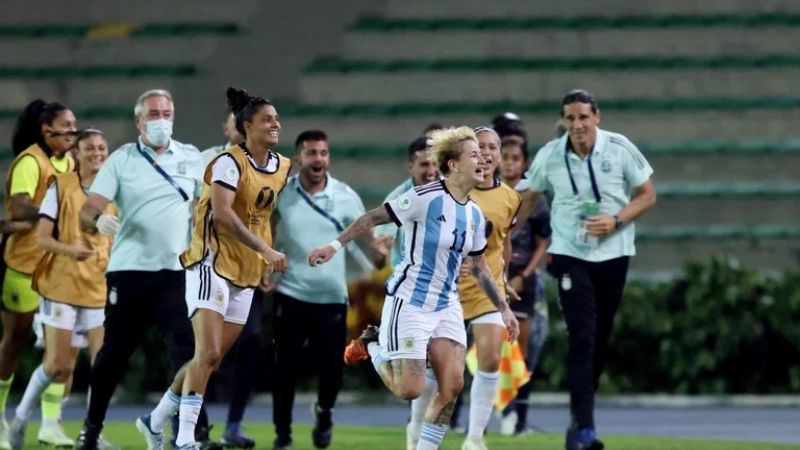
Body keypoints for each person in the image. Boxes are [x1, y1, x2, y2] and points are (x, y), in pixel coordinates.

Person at [309, 126, 519, 450]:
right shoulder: (424, 197)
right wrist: (334, 247)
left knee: (452, 385)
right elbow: (372, 217)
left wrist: (504, 309)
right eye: (474, 154)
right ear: (453, 164)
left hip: (447, 305)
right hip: (410, 302)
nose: (484, 159)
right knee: (411, 389)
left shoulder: (475, 215)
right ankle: (373, 345)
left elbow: (479, 267)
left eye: (483, 154)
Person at [138, 87, 290, 450]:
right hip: (210, 262)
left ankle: (154, 420)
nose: (275, 124)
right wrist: (265, 250)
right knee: (206, 354)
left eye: (276, 119)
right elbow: (222, 215)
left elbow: (261, 218)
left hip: (245, 271)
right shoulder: (228, 162)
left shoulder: (281, 165)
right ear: (246, 127)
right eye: (267, 119)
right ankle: (186, 438)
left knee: (211, 358)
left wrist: (263, 260)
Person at [515, 90, 656, 450]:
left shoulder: (619, 147)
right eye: (570, 118)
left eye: (583, 117)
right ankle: (586, 430)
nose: (577, 125)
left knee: (599, 341)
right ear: (563, 121)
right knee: (583, 336)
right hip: (569, 254)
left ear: (597, 117)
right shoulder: (551, 156)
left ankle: (578, 421)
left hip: (614, 253)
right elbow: (527, 199)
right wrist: (500, 238)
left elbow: (647, 194)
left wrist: (616, 220)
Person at [75, 89, 207, 450]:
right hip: (130, 271)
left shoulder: (191, 158)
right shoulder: (121, 160)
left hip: (176, 273)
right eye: (153, 114)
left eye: (166, 112)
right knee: (113, 356)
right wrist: (99, 219)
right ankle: (90, 430)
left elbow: (205, 206)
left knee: (190, 355)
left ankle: (193, 433)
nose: (161, 120)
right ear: (138, 121)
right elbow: (87, 209)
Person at [270, 129, 388, 450]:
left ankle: (324, 413)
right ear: (298, 160)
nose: (318, 159)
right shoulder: (282, 195)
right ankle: (283, 435)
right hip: (290, 293)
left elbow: (373, 253)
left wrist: (381, 254)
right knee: (284, 368)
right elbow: (265, 230)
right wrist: (265, 262)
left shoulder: (346, 197)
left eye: (323, 153)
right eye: (311, 153)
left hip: (333, 298)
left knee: (332, 370)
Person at [405, 127, 521, 450]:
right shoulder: (449, 190)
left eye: (493, 147)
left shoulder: (511, 198)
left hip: (487, 290)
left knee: (490, 357)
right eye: (480, 146)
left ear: (499, 154)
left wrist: (505, 282)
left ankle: (474, 438)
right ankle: (415, 429)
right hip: (446, 292)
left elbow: (503, 244)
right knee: (436, 372)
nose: (486, 153)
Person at [8, 129, 119, 449]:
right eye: (89, 148)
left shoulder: (116, 190)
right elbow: (42, 238)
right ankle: (20, 419)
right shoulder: (63, 186)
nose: (97, 153)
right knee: (59, 366)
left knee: (103, 367)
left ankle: (93, 434)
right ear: (77, 153)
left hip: (98, 286)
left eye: (101, 147)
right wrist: (72, 250)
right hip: (62, 285)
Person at [0, 99, 77, 449]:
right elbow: (18, 206)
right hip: (23, 266)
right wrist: (54, 211)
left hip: (58, 269)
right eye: (67, 127)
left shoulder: (71, 161)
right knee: (15, 342)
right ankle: (1, 417)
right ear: (48, 132)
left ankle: (50, 423)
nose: (73, 132)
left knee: (61, 349)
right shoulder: (31, 161)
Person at [499, 139, 552, 436]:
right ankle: (493, 410)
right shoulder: (488, 192)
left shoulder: (536, 198)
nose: (509, 163)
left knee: (521, 350)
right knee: (486, 348)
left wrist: (524, 275)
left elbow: (543, 241)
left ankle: (519, 417)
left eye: (515, 158)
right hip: (493, 279)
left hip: (523, 279)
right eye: (504, 157)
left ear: (524, 163)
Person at [373, 137, 438, 267]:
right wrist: (381, 254)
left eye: (435, 163)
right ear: (411, 168)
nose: (431, 171)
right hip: (409, 282)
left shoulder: (455, 192)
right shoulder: (395, 201)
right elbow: (378, 262)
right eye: (424, 165)